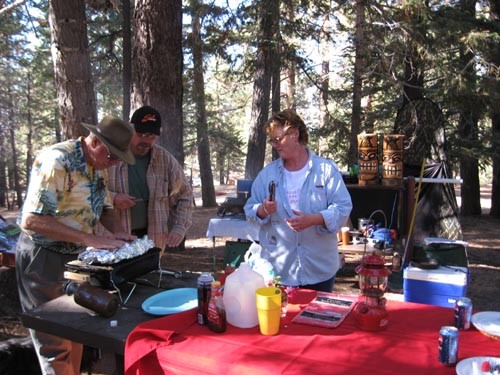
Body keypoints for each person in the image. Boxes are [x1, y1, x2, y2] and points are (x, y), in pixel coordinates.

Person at [16, 116, 137, 374]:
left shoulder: (97, 166)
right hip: (42, 257)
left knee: (77, 331)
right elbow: (32, 219)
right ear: (95, 142)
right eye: (113, 156)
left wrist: (120, 234)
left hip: (74, 258)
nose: (114, 163)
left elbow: (105, 208)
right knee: (54, 342)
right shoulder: (57, 160)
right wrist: (90, 238)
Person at [244, 109, 352, 292]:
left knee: (316, 318)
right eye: (272, 141)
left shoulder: (326, 171)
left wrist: (315, 219)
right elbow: (250, 209)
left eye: (278, 139)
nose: (275, 145)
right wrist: (262, 209)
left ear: (295, 134)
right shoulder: (267, 175)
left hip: (319, 269)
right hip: (279, 270)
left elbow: (343, 207)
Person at [107, 105, 193, 251]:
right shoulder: (111, 155)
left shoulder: (165, 159)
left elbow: (185, 194)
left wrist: (180, 227)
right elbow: (89, 192)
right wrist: (113, 198)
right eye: (141, 134)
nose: (146, 140)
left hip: (153, 239)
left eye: (152, 137)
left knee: (150, 274)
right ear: (130, 130)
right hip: (115, 239)